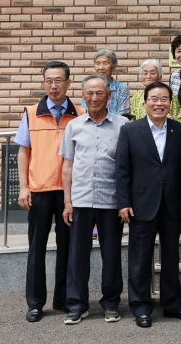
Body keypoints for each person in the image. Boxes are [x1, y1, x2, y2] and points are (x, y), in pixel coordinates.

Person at [116, 81, 181, 328]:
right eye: (154, 98)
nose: (159, 103)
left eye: (164, 99)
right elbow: (122, 170)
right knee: (140, 257)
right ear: (145, 102)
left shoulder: (179, 130)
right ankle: (141, 307)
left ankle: (172, 303)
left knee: (171, 256)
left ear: (169, 102)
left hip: (172, 202)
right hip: (140, 203)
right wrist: (124, 202)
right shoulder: (131, 130)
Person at [15, 61, 86, 323]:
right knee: (37, 248)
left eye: (58, 80)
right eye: (48, 80)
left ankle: (65, 298)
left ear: (69, 82)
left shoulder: (80, 112)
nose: (53, 85)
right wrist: (24, 187)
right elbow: (24, 151)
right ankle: (35, 303)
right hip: (40, 190)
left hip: (70, 191)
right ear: (43, 84)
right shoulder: (32, 112)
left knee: (69, 247)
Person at [60, 75, 129, 325]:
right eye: (90, 93)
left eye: (100, 93)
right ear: (83, 96)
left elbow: (127, 167)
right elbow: (67, 166)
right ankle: (77, 305)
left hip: (110, 201)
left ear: (109, 95)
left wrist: (125, 202)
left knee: (111, 255)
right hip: (79, 200)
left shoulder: (123, 125)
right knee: (77, 255)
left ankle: (111, 303)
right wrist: (67, 201)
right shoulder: (74, 126)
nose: (95, 97)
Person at [130, 59, 181, 123]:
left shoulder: (169, 95)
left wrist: (173, 120)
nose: (148, 76)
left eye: (152, 73)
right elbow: (133, 119)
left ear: (160, 76)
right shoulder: (137, 96)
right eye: (145, 73)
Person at [80, 49, 130, 115]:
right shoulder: (88, 86)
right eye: (98, 63)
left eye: (105, 63)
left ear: (114, 67)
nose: (101, 67)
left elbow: (124, 115)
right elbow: (84, 112)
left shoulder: (122, 88)